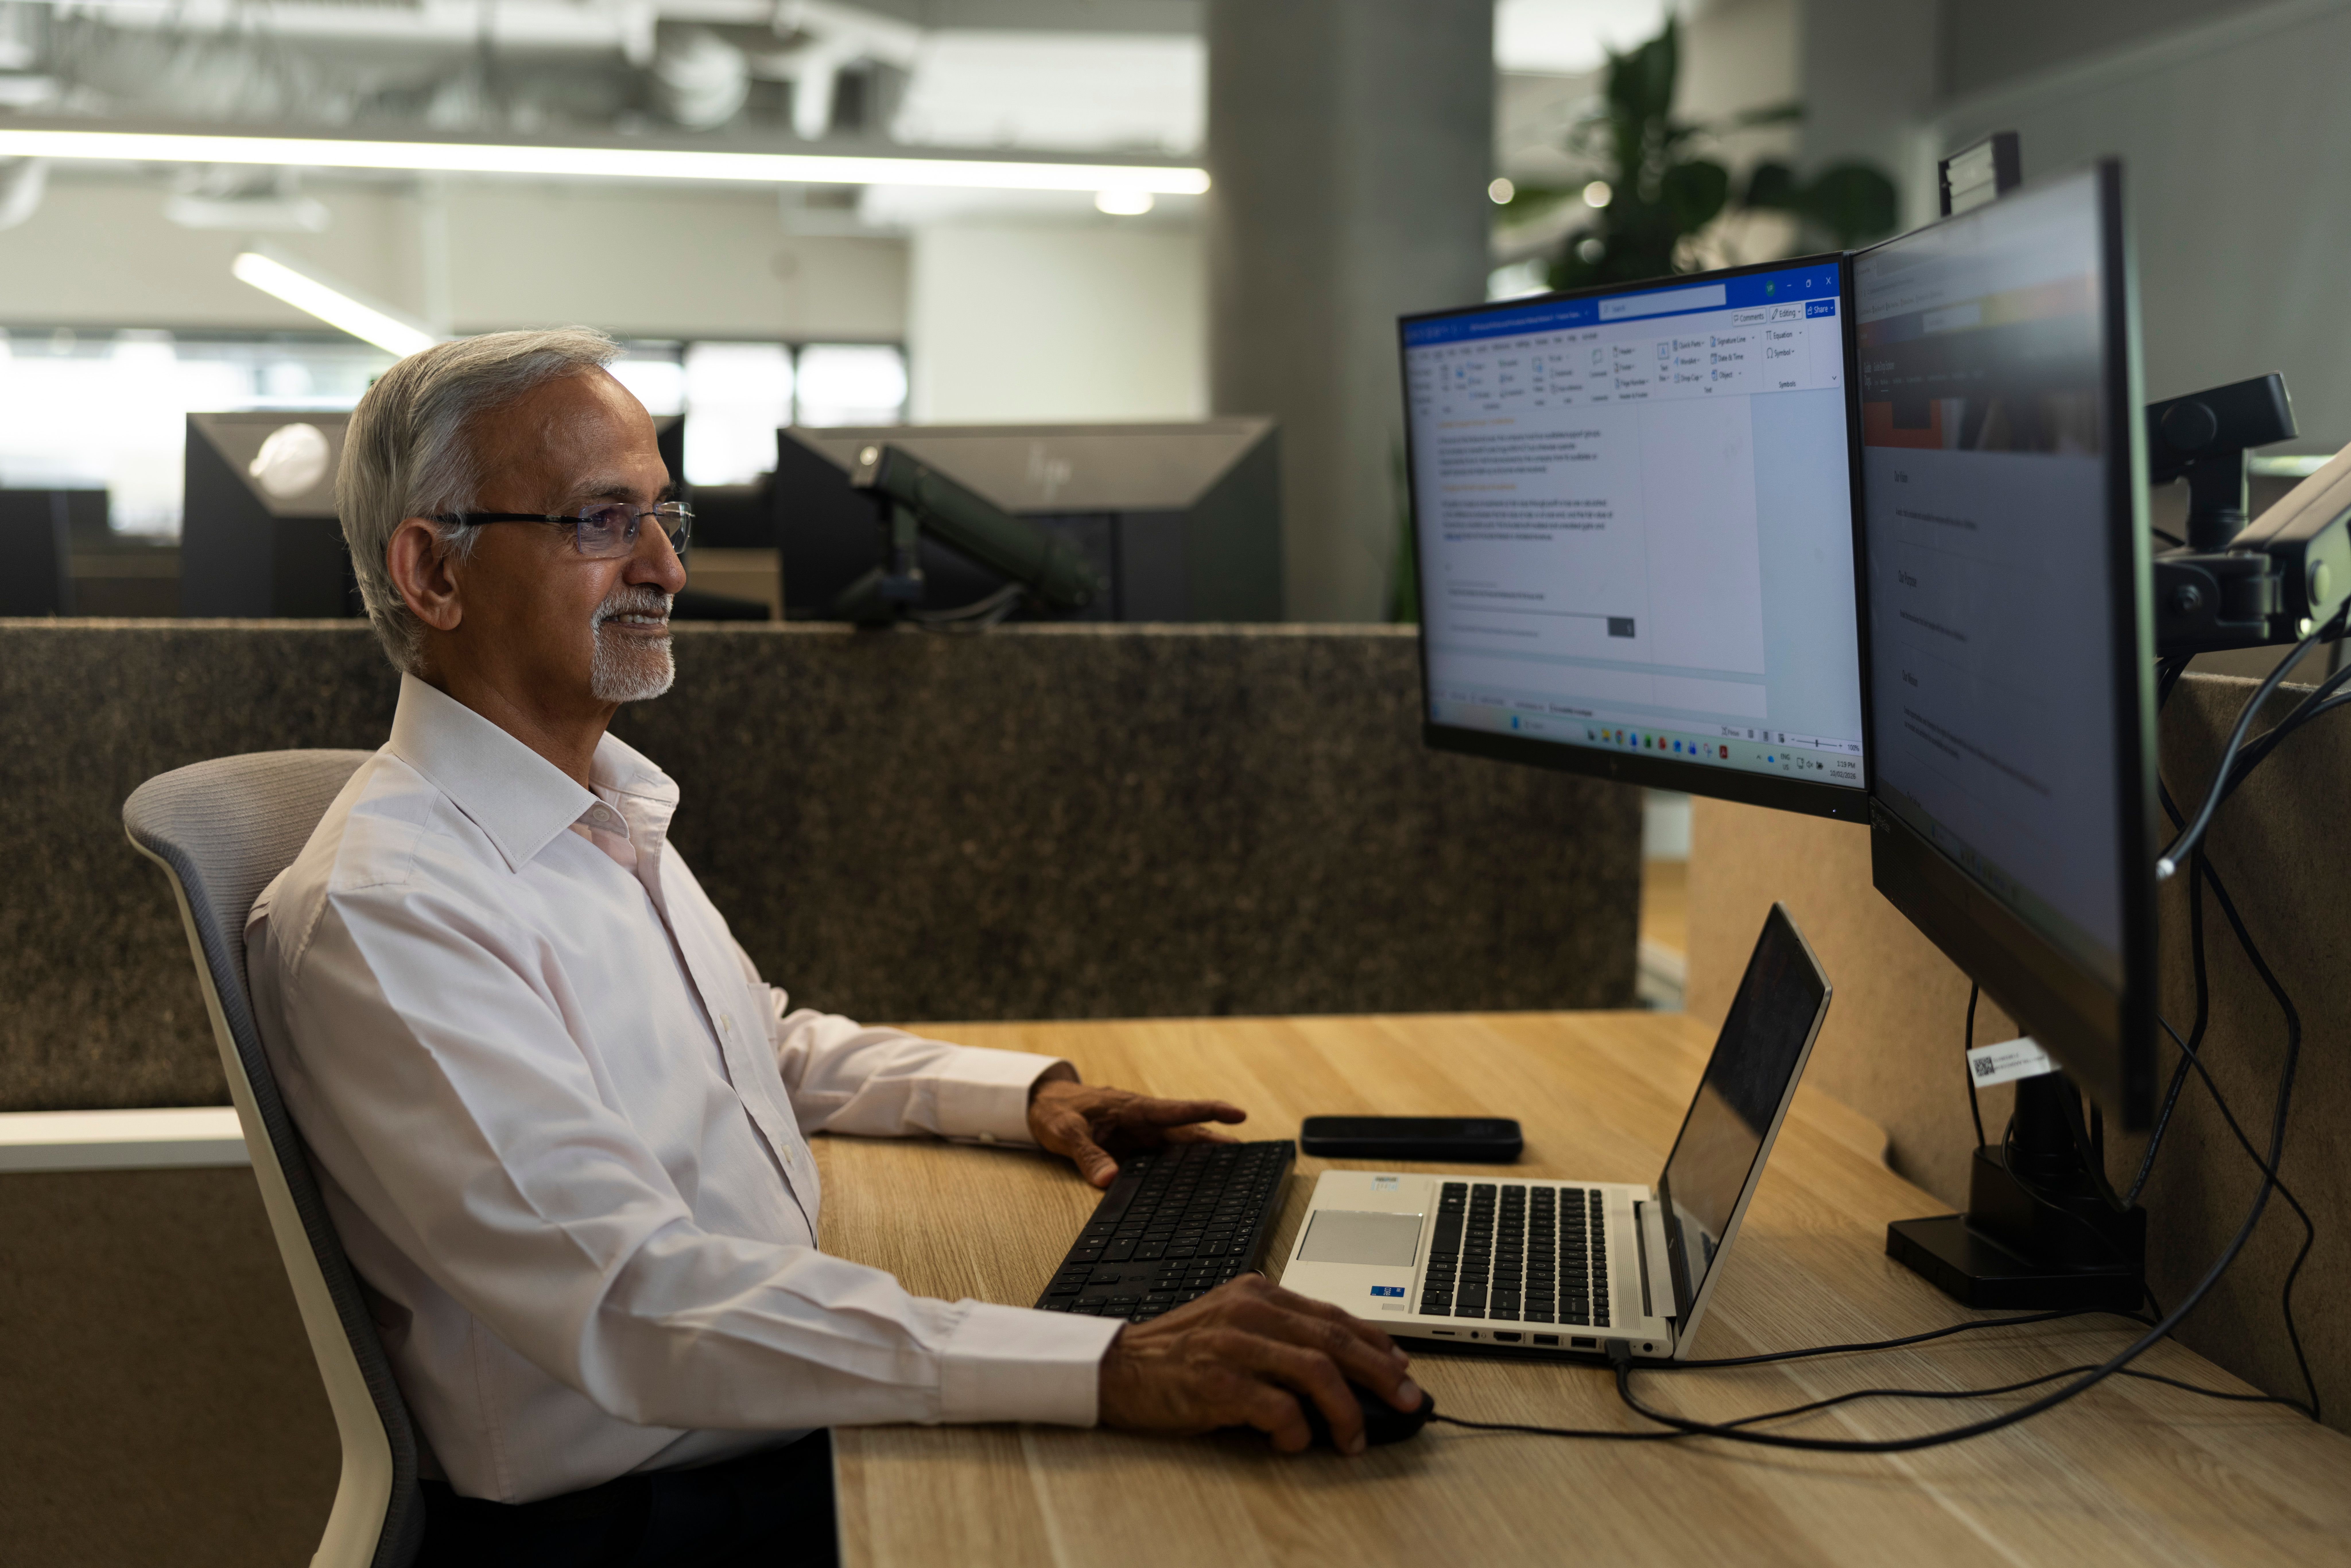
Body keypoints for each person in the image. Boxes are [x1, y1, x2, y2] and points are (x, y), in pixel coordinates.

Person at [245, 329, 1419, 1565]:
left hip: (756, 1421)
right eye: (603, 522)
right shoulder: (392, 909)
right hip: (643, 1518)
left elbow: (763, 1041)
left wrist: (1027, 1098)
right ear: (433, 572)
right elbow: (638, 1305)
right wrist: (1111, 1359)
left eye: (664, 516)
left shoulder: (594, 812)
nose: (665, 567)